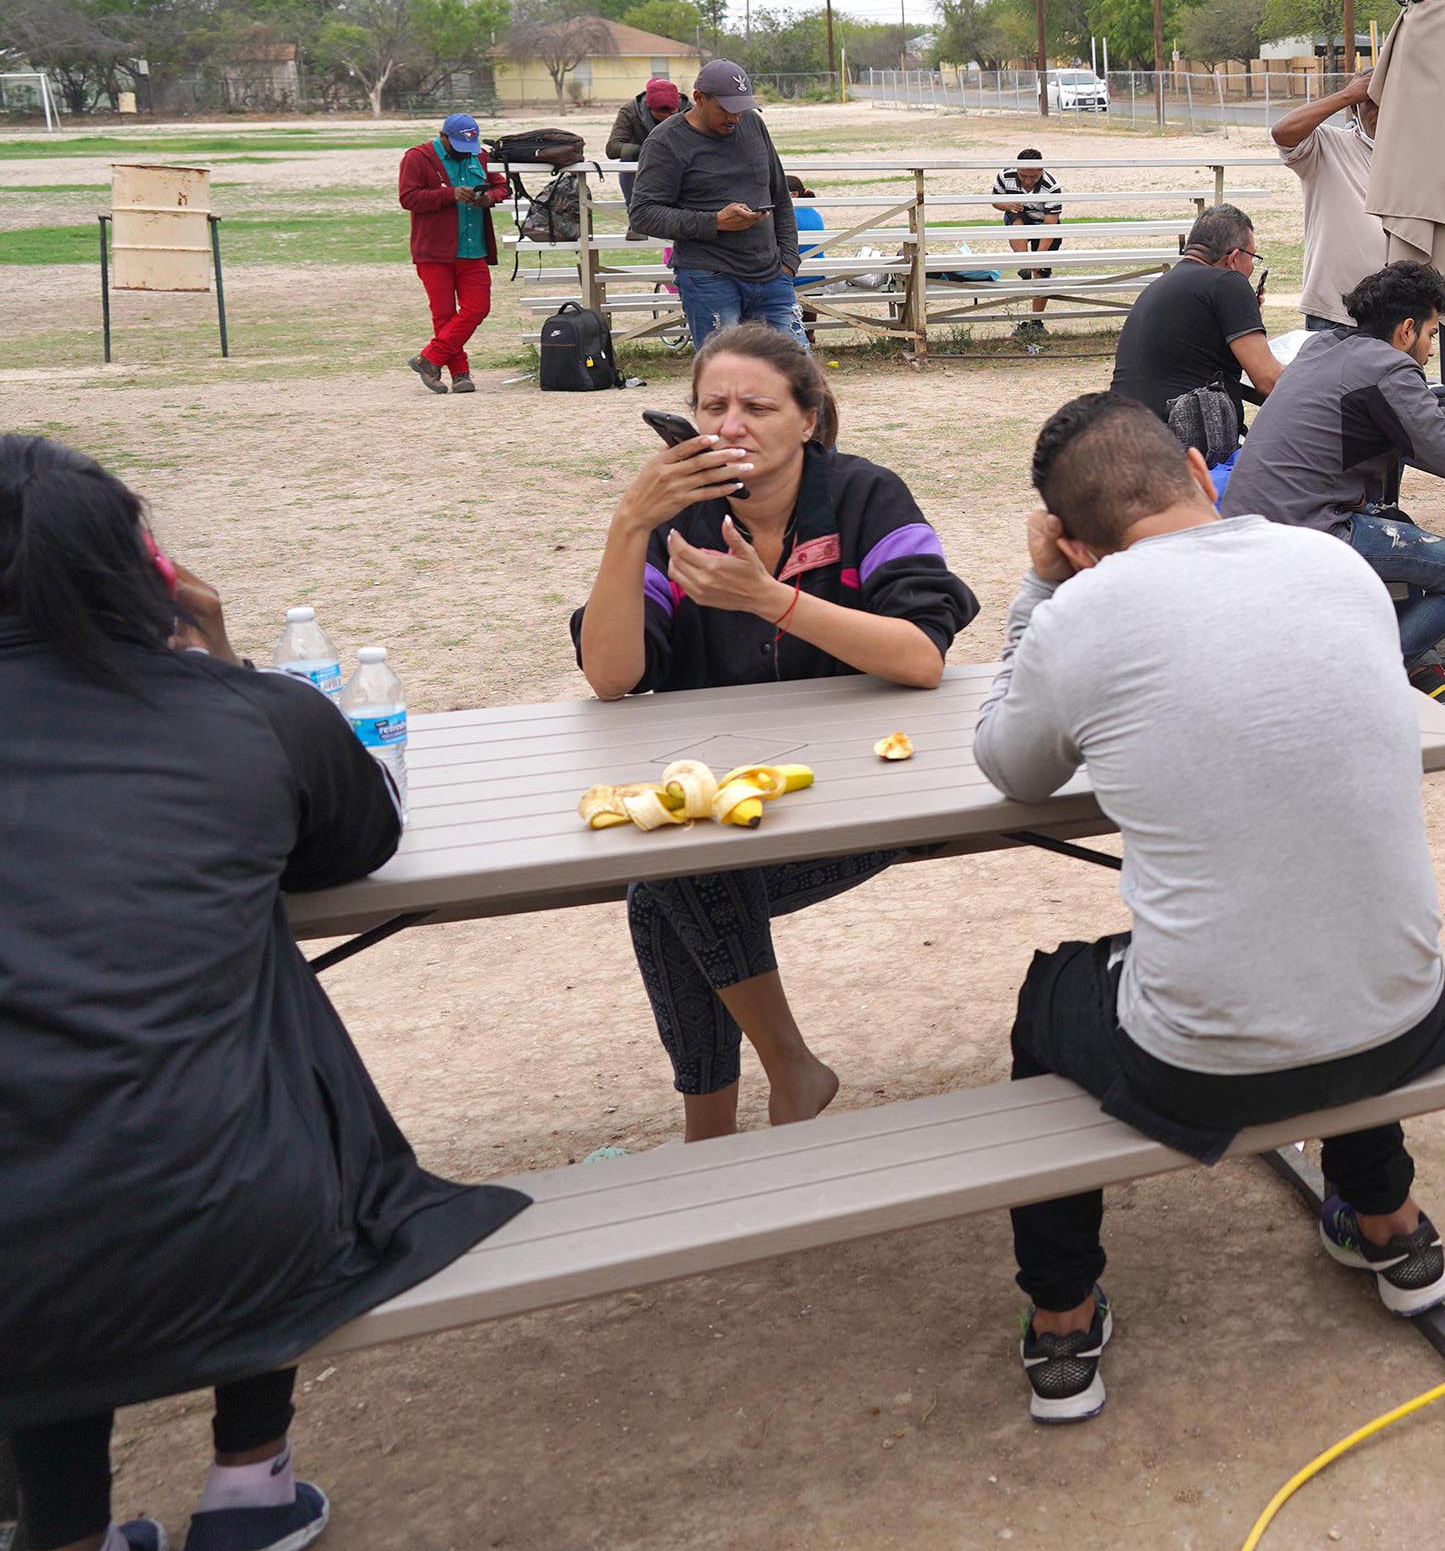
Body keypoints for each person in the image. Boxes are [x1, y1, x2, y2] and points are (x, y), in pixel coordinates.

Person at [1, 434, 526, 1551]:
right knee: (239, 1047)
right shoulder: (244, 714)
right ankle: (250, 1483)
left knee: (58, 1098)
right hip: (240, 1221)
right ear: (140, 571)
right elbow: (358, 834)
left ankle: (64, 1533)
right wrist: (214, 651)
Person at [975, 393, 1445, 1421]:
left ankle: (1063, 1317)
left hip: (1206, 1068)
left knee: (1049, 994)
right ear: (1203, 474)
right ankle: (1391, 1222)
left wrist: (1040, 587)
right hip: (1408, 1015)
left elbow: (1010, 766)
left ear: (1074, 543)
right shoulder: (1338, 564)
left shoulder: (1078, 609)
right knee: (1310, 914)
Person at [572, 322, 980, 1141]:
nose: (730, 425)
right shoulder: (679, 520)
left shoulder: (867, 497)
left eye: (757, 406)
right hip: (730, 808)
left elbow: (921, 657)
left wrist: (771, 599)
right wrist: (628, 524)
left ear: (807, 419)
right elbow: (611, 676)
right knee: (672, 879)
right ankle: (763, 1093)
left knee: (671, 878)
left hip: (864, 799)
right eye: (712, 406)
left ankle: (731, 1117)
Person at [1221, 260, 1445, 715]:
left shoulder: (1322, 346)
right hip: (1308, 531)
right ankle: (1368, 678)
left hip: (1252, 522)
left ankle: (1421, 674)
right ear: (1405, 331)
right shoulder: (1390, 369)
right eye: (1430, 332)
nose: (1427, 347)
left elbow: (1403, 430)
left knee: (1400, 527)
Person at [630, 58, 803, 347]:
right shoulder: (665, 142)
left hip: (771, 274)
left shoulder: (753, 124)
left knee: (797, 376)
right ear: (698, 98)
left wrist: (788, 262)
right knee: (724, 377)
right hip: (709, 276)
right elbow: (643, 214)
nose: (734, 117)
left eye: (741, 108)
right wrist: (714, 222)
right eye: (725, 108)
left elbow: (779, 194)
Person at [1109, 205, 1283, 415]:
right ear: (1234, 258)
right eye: (1253, 256)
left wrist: (1244, 319)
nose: (1253, 266)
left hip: (1121, 429)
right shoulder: (1229, 282)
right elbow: (1269, 381)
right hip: (1180, 439)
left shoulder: (1159, 286)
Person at [398, 110, 512, 395]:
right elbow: (408, 197)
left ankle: (429, 359)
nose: (466, 154)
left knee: (477, 308)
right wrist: (448, 194)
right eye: (459, 148)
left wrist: (489, 198)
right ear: (443, 137)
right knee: (444, 314)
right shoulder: (418, 157)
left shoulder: (479, 156)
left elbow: (502, 186)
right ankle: (460, 373)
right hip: (434, 251)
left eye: (469, 149)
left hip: (473, 249)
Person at [1271, 75, 1385, 335]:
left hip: (1395, 313)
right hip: (1334, 312)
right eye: (1372, 102)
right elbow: (1282, 132)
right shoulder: (1328, 144)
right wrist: (1348, 95)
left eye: (1389, 99)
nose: (1382, 109)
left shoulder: (1415, 156)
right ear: (1355, 108)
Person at [992, 147, 1066, 328]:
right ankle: (1023, 263)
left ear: (1042, 171)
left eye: (1033, 177)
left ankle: (1036, 320)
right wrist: (1007, 205)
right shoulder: (1004, 176)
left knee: (1041, 273)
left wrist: (1039, 258)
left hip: (1045, 223)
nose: (1027, 181)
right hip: (1019, 217)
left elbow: (1050, 226)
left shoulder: (1052, 187)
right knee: (1017, 220)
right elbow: (995, 201)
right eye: (1023, 175)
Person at [606, 73, 682, 204]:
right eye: (662, 112)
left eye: (672, 112)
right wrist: (647, 150)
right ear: (648, 105)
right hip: (638, 170)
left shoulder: (688, 110)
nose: (668, 117)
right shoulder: (630, 111)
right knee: (640, 216)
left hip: (678, 168)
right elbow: (612, 148)